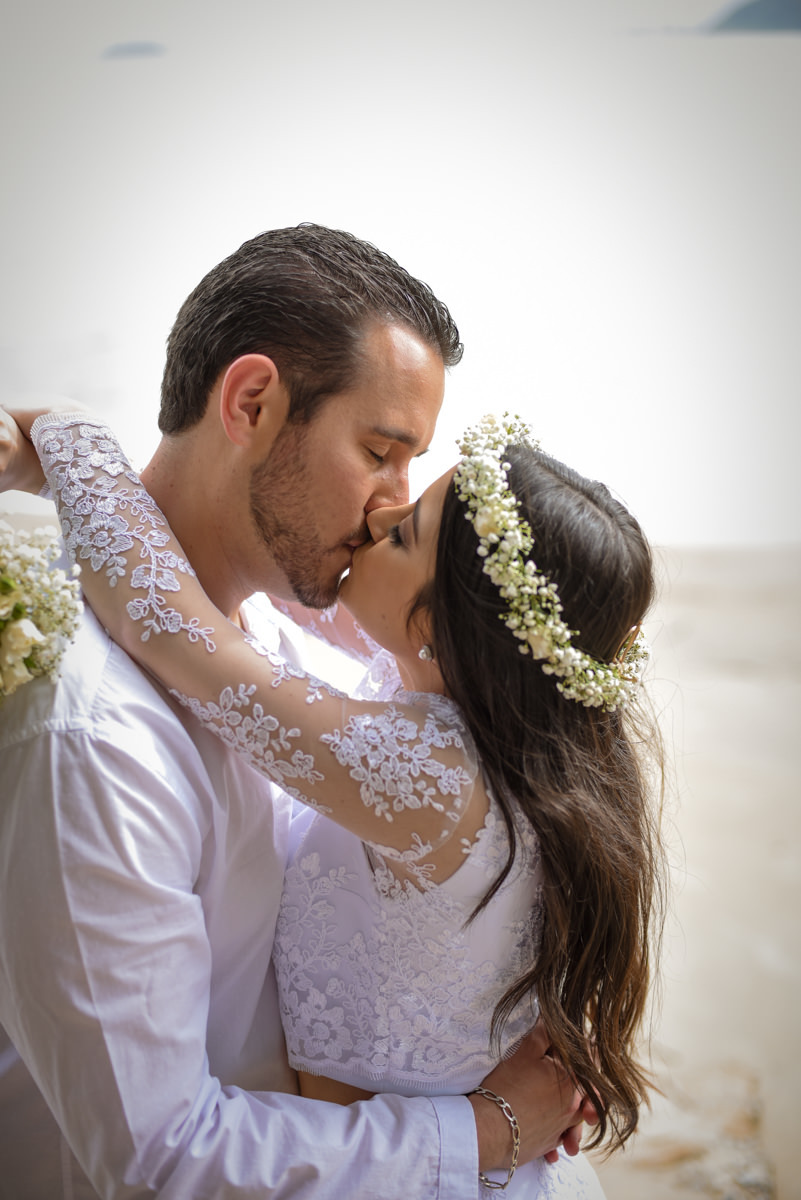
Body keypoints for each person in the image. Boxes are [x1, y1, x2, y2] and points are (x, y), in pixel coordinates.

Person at [0, 225, 593, 1200]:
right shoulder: (92, 734)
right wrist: (481, 1130)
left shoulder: (295, 655)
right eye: (380, 452)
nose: (391, 507)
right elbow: (160, 1160)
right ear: (251, 403)